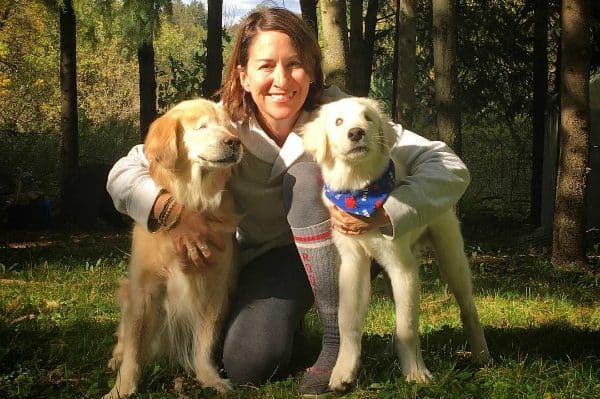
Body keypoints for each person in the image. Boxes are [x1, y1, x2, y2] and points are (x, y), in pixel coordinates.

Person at [106, 7, 471, 395]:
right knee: (247, 361)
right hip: (272, 260)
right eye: (266, 66)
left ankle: (336, 341)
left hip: (342, 245)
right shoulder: (223, 125)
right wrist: (170, 211)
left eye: (294, 64)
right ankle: (292, 316)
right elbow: (124, 173)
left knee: (306, 174)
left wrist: (387, 211)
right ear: (243, 76)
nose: (281, 79)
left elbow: (448, 166)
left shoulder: (343, 113)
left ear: (311, 72)